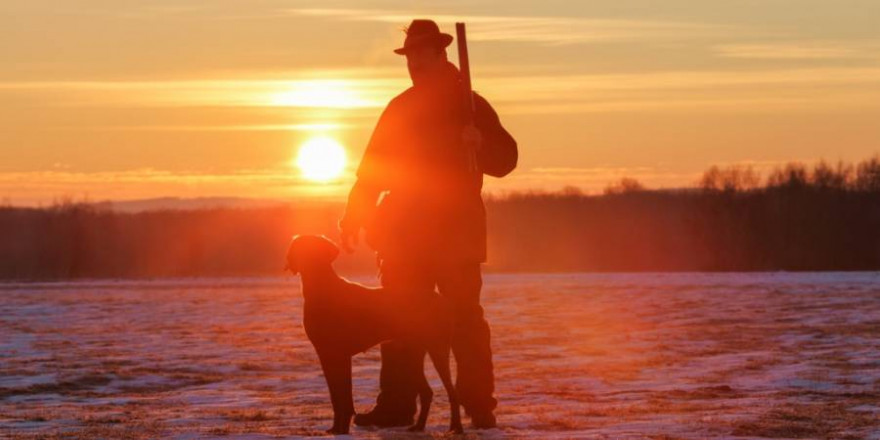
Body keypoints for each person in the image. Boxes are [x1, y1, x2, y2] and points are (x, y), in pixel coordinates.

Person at [338, 19, 517, 429]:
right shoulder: (399, 109)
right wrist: (354, 215)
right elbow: (372, 173)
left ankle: (479, 406)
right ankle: (397, 406)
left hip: (456, 234)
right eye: (410, 55)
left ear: (442, 54)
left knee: (464, 322)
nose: (415, 62)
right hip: (405, 235)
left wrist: (480, 145)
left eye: (423, 54)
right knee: (399, 321)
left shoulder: (470, 105)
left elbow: (506, 159)